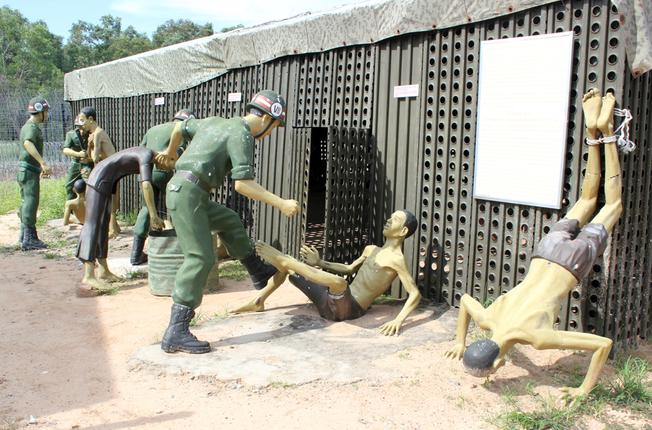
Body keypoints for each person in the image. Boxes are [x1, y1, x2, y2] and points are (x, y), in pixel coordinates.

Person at [444, 89, 626, 402]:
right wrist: (461, 340)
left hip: (570, 262)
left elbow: (603, 344)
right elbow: (464, 301)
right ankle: (591, 131)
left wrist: (584, 389)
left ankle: (607, 131)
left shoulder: (536, 338)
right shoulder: (487, 319)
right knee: (586, 200)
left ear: (500, 362)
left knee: (613, 206)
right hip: (545, 251)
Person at [160, 90, 300, 354]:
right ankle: (176, 330)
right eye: (274, 128)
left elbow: (180, 126)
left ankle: (257, 271)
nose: (270, 134)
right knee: (200, 258)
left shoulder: (215, 121)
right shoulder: (242, 133)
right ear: (268, 118)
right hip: (189, 195)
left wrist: (170, 154)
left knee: (229, 219)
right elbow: (243, 185)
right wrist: (281, 203)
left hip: (190, 192)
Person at [233, 210, 422, 336]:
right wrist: (320, 262)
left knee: (340, 283)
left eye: (395, 220)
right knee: (292, 270)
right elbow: (348, 269)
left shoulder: (397, 260)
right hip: (328, 302)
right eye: (390, 217)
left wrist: (398, 321)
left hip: (349, 310)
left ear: (403, 230)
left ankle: (288, 259)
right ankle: (259, 300)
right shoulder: (371, 249)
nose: (389, 220)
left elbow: (415, 294)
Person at [76, 147, 171, 290]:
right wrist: (153, 215)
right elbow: (146, 185)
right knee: (93, 224)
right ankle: (88, 276)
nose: (169, 168)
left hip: (107, 182)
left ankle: (103, 270)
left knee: (102, 225)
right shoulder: (146, 155)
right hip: (98, 180)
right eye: (172, 163)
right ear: (165, 156)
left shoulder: (149, 159)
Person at [130, 109, 196, 265]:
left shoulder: (153, 129)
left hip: (145, 171)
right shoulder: (180, 130)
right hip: (164, 171)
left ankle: (136, 254)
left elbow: (141, 150)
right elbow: (180, 155)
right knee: (174, 206)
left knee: (147, 209)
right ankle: (177, 249)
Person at [78, 106, 121, 238]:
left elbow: (95, 158)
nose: (81, 124)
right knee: (110, 198)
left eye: (82, 120)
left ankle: (112, 229)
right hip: (110, 168)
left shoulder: (97, 133)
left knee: (110, 198)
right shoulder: (94, 134)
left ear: (91, 119)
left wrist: (90, 147)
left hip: (111, 169)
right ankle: (115, 227)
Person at [17, 96, 51, 251]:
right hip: (29, 170)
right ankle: (29, 239)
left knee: (26, 201)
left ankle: (24, 235)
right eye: (46, 111)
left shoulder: (28, 126)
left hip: (27, 169)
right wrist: (42, 162)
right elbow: (27, 143)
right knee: (31, 201)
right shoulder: (31, 127)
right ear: (39, 111)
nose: (47, 114)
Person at [62, 115, 93, 201]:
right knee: (69, 185)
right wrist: (78, 154)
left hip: (88, 164)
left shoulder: (93, 134)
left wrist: (89, 158)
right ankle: (71, 208)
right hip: (75, 163)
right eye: (79, 127)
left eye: (82, 126)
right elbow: (65, 150)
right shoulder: (71, 134)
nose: (81, 129)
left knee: (90, 185)